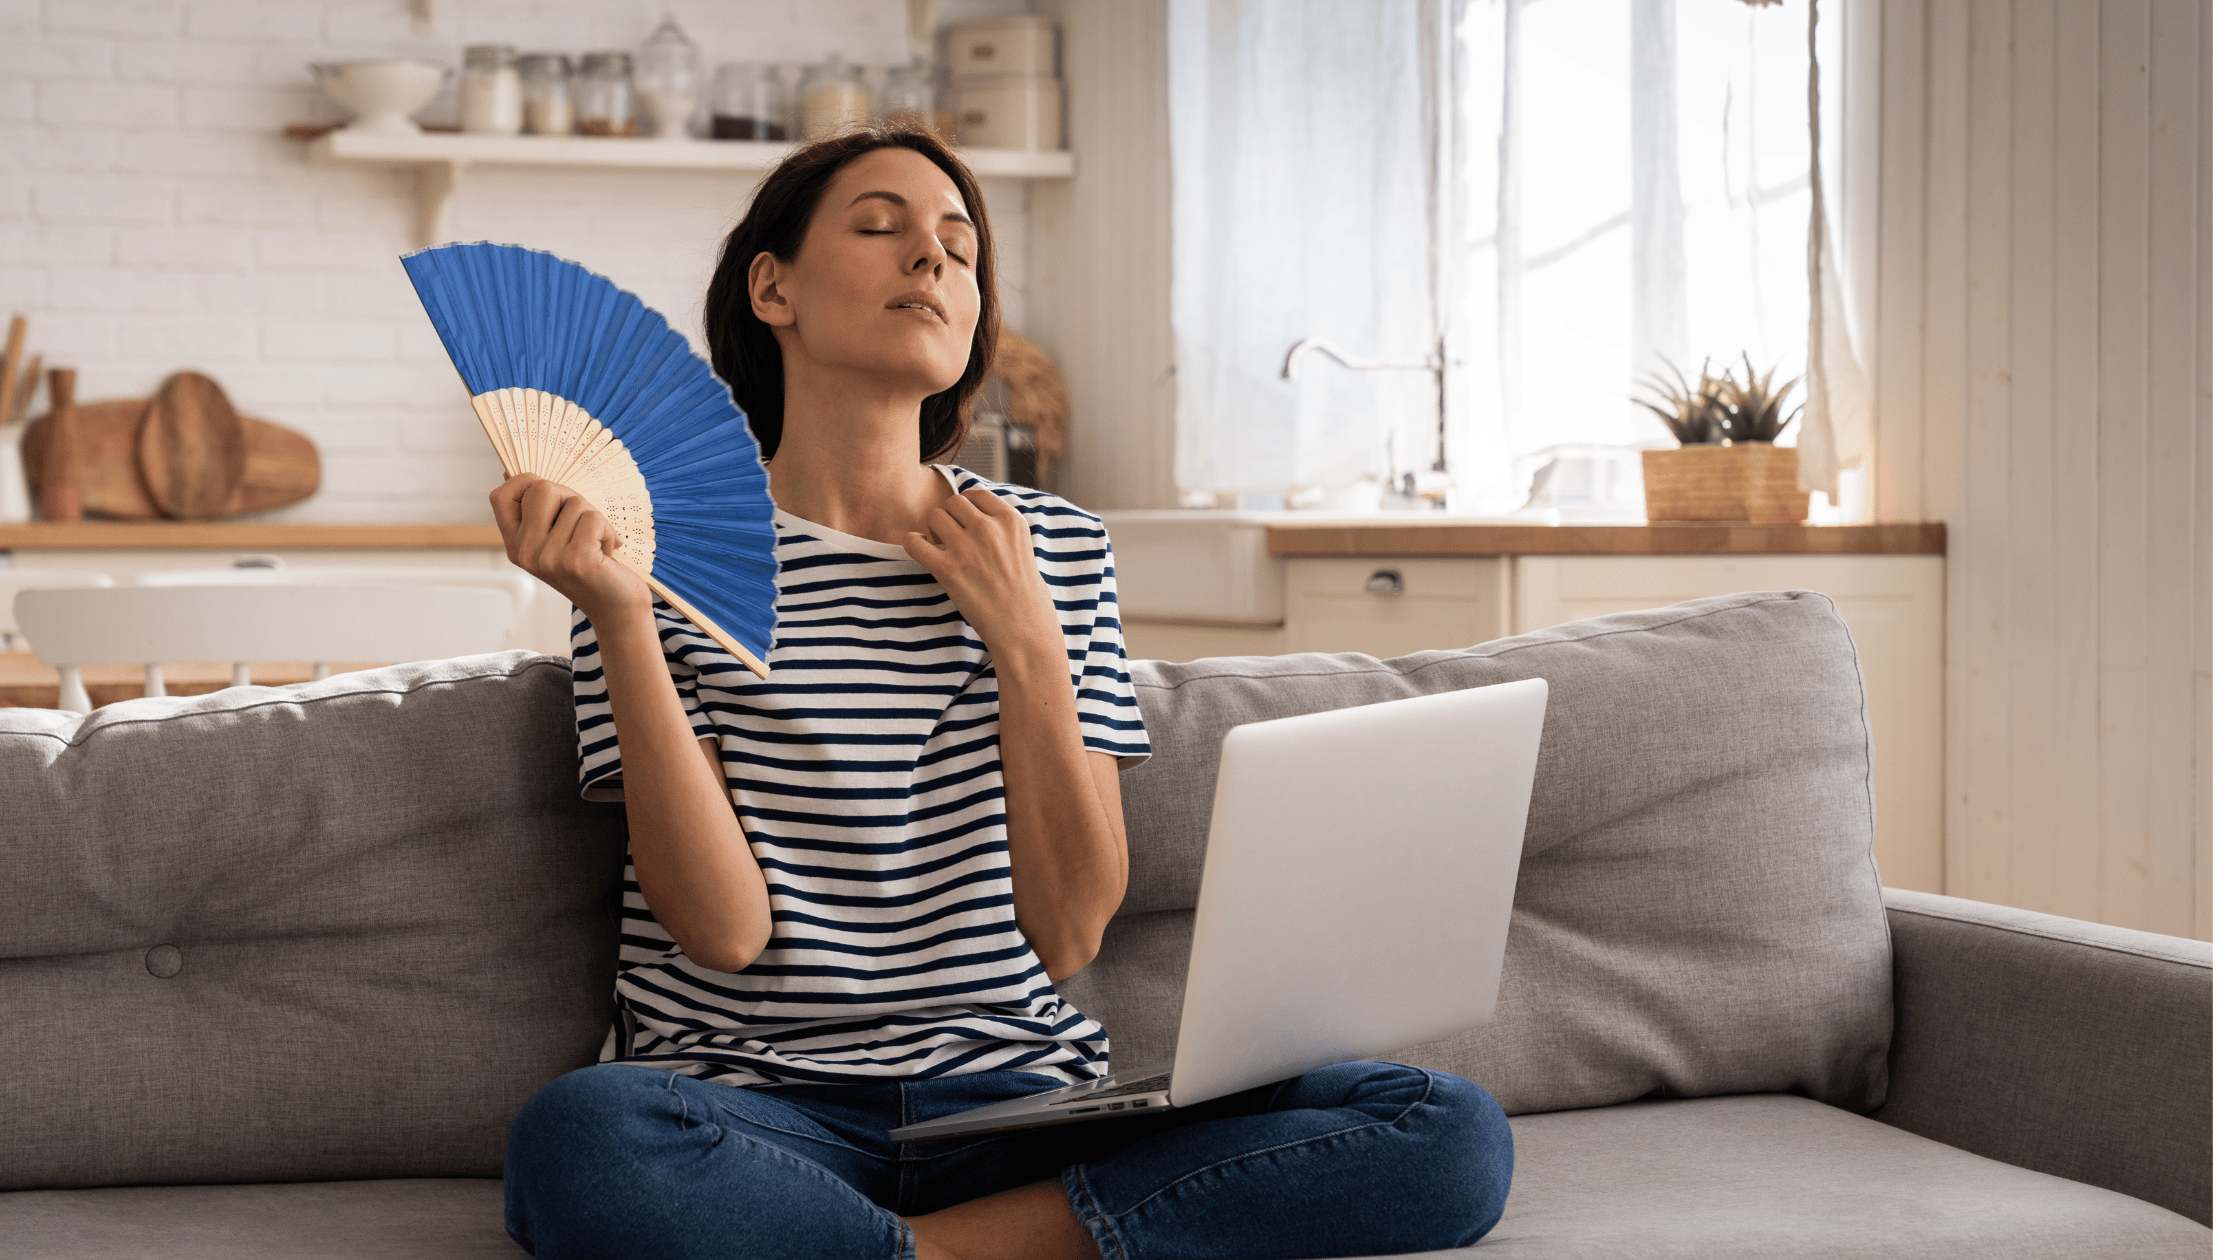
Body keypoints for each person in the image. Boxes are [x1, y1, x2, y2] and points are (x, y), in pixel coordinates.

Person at [492, 123, 1513, 1260]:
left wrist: (1028, 642)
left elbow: (1069, 927)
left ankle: (910, 1249)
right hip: (757, 1107)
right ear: (770, 286)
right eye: (879, 228)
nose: (930, 259)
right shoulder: (647, 564)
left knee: (1444, 1130)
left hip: (1016, 1105)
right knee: (578, 1139)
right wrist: (626, 616)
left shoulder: (1055, 551)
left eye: (959, 247)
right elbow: (724, 934)